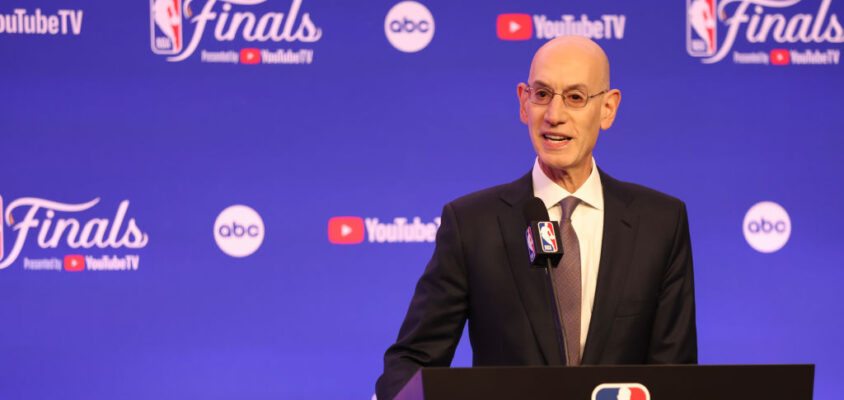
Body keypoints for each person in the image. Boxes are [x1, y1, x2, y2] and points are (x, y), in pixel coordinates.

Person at [375, 36, 697, 400]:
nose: (554, 115)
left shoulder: (660, 224)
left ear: (608, 108)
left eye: (575, 97)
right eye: (542, 94)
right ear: (523, 103)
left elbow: (675, 375)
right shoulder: (472, 225)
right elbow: (413, 361)